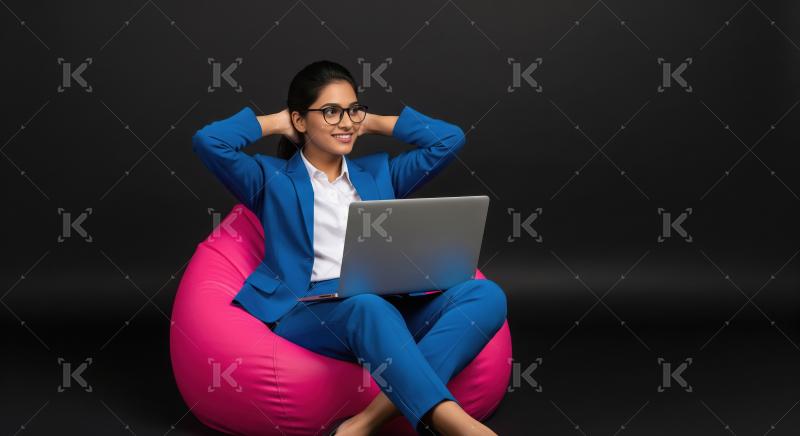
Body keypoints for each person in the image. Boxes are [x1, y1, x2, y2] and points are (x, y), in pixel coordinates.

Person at [192, 60, 507, 435]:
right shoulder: (270, 179)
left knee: (486, 296)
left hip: (386, 304)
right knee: (366, 306)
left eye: (352, 109)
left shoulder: (378, 173)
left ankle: (365, 421)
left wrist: (368, 121)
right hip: (310, 309)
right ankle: (455, 424)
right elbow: (208, 142)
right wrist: (279, 121)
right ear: (300, 119)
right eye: (330, 112)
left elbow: (449, 139)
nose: (345, 122)